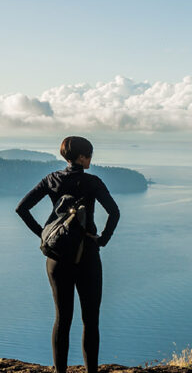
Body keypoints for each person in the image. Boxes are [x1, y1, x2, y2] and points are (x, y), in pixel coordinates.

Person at [15, 136, 120, 373]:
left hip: (57, 258)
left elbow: (21, 208)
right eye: (89, 154)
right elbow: (114, 212)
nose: (91, 158)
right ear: (82, 157)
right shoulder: (92, 182)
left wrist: (44, 235)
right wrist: (102, 240)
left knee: (62, 320)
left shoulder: (52, 179)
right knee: (90, 321)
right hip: (87, 256)